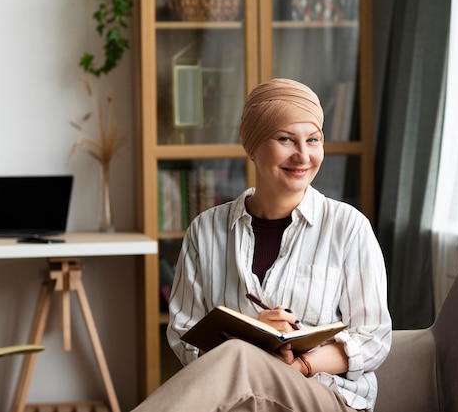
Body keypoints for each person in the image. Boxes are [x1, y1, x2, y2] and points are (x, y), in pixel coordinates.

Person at [131, 78, 392, 412]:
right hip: (238, 398)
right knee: (240, 364)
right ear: (252, 147)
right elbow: (185, 334)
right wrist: (254, 341)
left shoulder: (348, 227)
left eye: (313, 140)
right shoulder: (205, 230)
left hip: (325, 396)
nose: (303, 155)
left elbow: (374, 337)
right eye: (286, 139)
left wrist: (297, 364)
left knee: (239, 354)